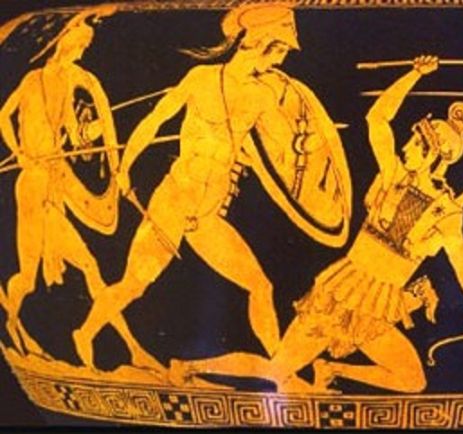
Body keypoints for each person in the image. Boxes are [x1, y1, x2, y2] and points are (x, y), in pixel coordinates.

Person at [181, 55, 463, 393]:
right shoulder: (393, 176)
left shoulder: (445, 214)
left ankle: (332, 369)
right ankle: (189, 367)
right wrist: (414, 74)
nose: (406, 146)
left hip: (376, 308)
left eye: (417, 143)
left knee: (413, 380)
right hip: (341, 294)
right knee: (279, 367)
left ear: (435, 156)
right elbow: (377, 120)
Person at [72, 4, 306, 370]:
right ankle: (84, 333)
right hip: (175, 201)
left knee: (260, 286)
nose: (280, 61)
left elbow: (283, 150)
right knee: (135, 283)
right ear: (261, 43)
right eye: (280, 51)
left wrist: (302, 140)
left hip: (207, 215)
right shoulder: (201, 79)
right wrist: (124, 167)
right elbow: (155, 121)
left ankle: (280, 370)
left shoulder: (262, 96)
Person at [0, 7, 160, 370]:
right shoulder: (33, 80)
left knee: (89, 265)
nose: (84, 49)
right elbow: (4, 116)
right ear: (67, 41)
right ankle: (13, 321)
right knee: (28, 276)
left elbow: (75, 137)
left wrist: (94, 132)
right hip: (33, 186)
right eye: (82, 43)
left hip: (53, 183)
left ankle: (132, 349)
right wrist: (20, 152)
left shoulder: (72, 83)